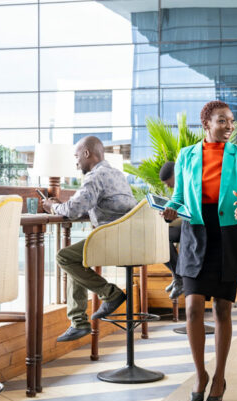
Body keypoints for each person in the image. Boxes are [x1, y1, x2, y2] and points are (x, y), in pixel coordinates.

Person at [162, 100, 237, 401]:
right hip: (195, 234)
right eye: (222, 121)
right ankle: (200, 373)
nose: (229, 126)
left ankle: (219, 376)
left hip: (227, 234)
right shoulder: (186, 155)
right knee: (192, 308)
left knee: (223, 311)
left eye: (231, 121)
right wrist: (170, 209)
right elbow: (178, 196)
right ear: (206, 124)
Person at [43, 136, 138, 342]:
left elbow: (74, 210)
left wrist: (52, 207)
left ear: (87, 153)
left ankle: (109, 294)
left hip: (114, 240)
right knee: (76, 258)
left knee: (64, 257)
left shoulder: (96, 176)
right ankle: (78, 322)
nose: (76, 163)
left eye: (77, 157)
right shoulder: (117, 174)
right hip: (129, 239)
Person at [158, 161, 183, 299]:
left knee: (162, 235)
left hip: (195, 228)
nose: (167, 186)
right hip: (184, 227)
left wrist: (173, 219)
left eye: (168, 182)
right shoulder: (177, 191)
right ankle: (178, 277)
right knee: (159, 238)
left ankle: (179, 278)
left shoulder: (187, 185)